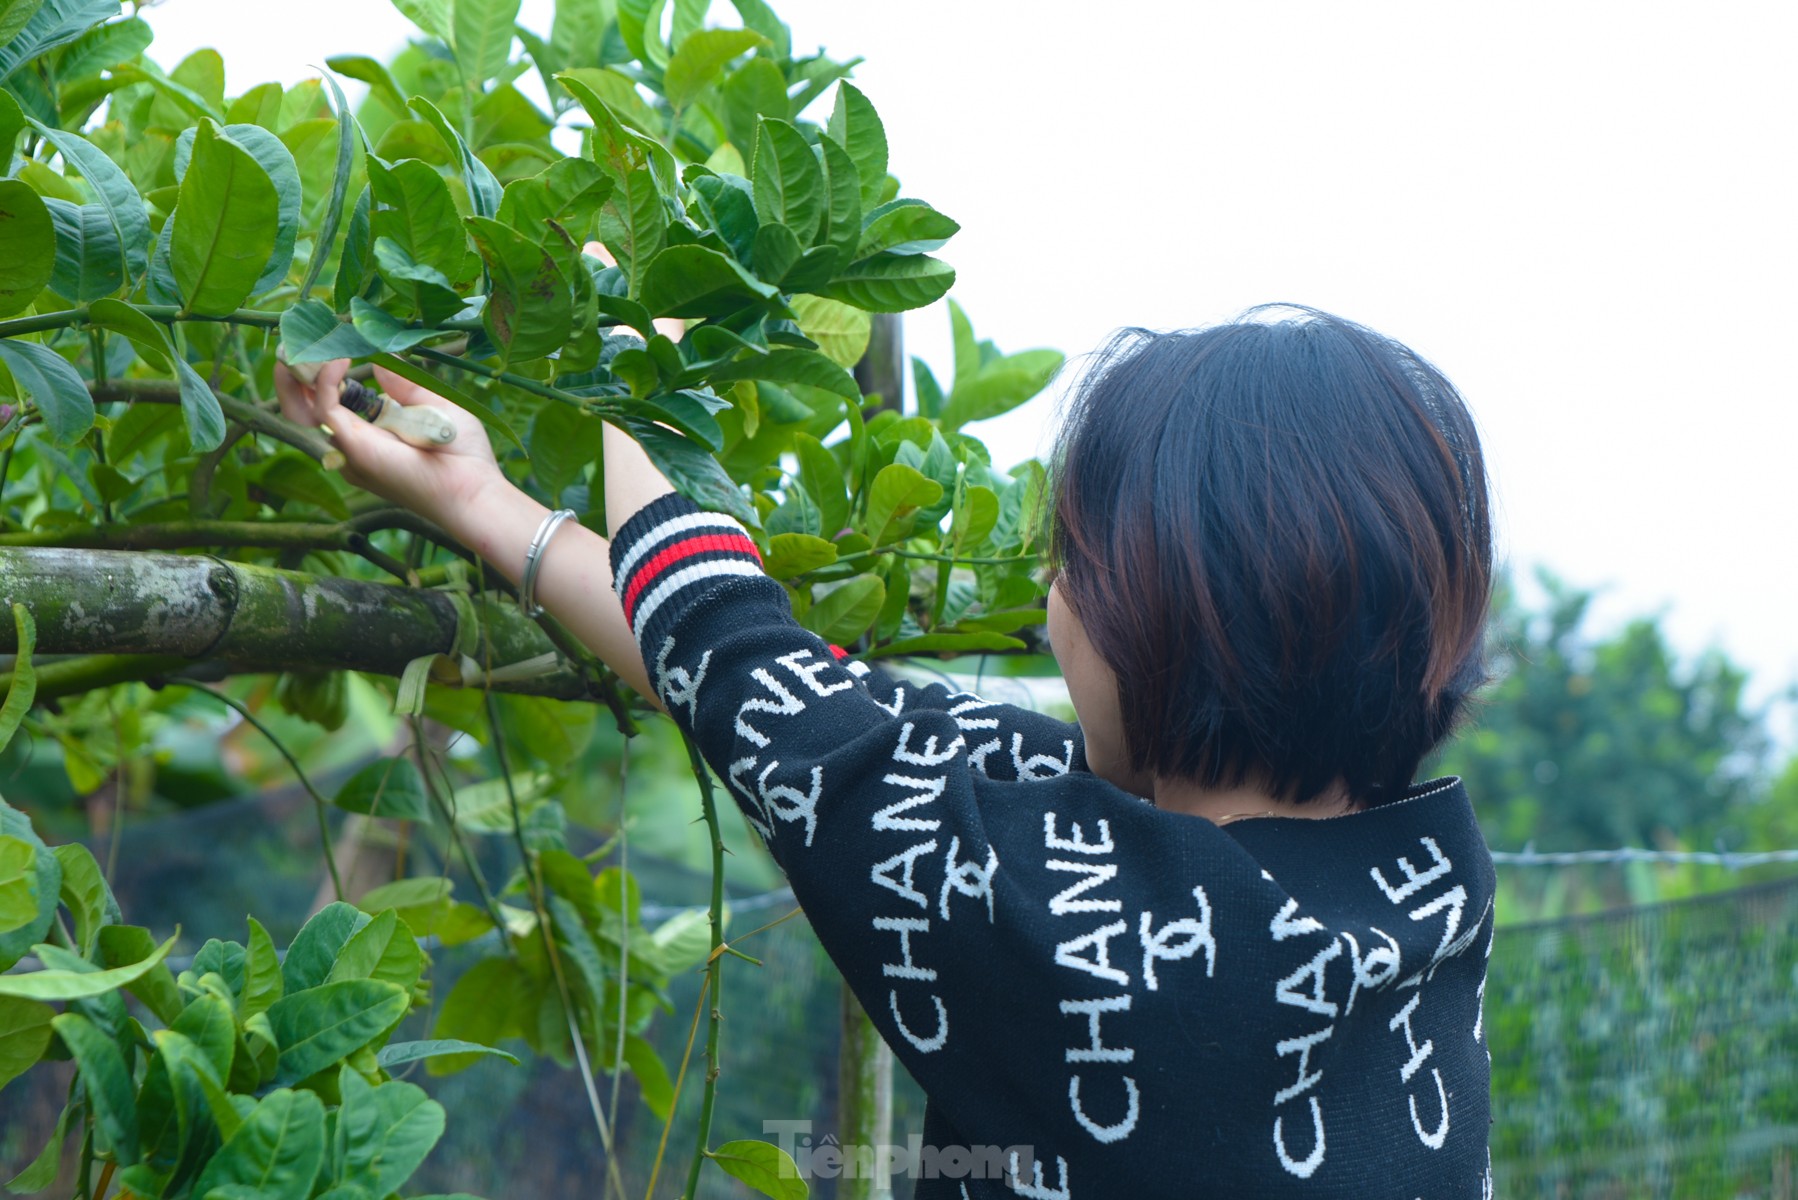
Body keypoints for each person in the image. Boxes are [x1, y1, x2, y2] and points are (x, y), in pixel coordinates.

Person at [275, 304, 1496, 1199]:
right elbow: (800, 704)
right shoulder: (1417, 884)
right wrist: (487, 505)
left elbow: (749, 669)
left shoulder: (1075, 931)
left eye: (1070, 559)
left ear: (1163, 610)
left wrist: (642, 357)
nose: (1055, 597)